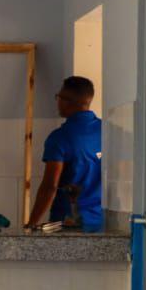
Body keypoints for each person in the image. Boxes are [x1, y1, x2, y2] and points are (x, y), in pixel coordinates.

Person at [29, 75, 103, 231]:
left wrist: (32, 223)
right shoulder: (107, 130)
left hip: (68, 222)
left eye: (58, 97)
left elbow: (50, 186)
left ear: (66, 101)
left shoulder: (60, 138)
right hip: (100, 221)